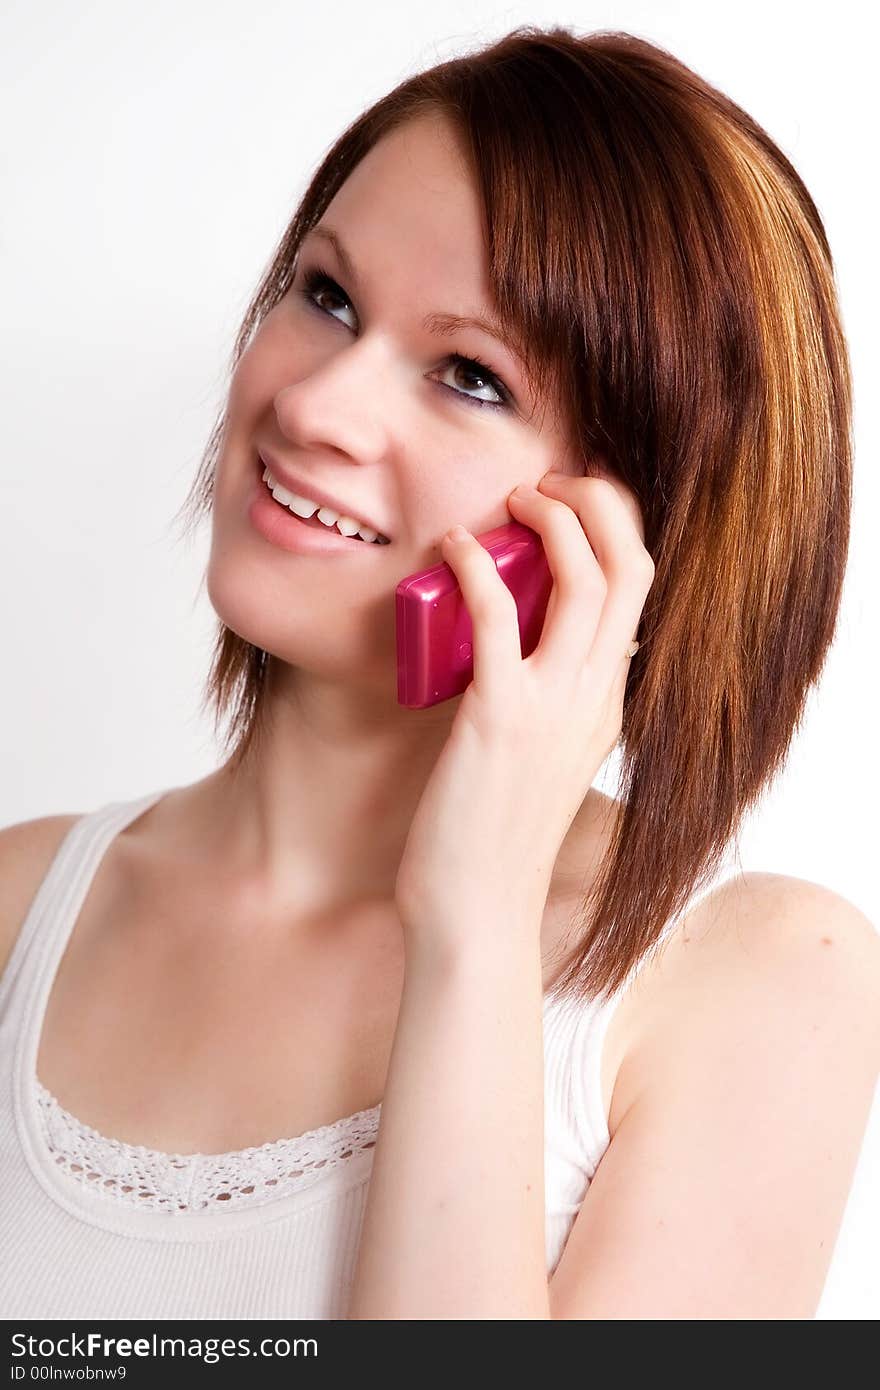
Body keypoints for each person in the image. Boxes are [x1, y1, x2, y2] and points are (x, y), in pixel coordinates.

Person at [1, 26, 878, 1321]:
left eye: (470, 375)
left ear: (628, 534)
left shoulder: (752, 982)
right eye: (326, 295)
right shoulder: (20, 903)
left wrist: (474, 918)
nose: (317, 408)